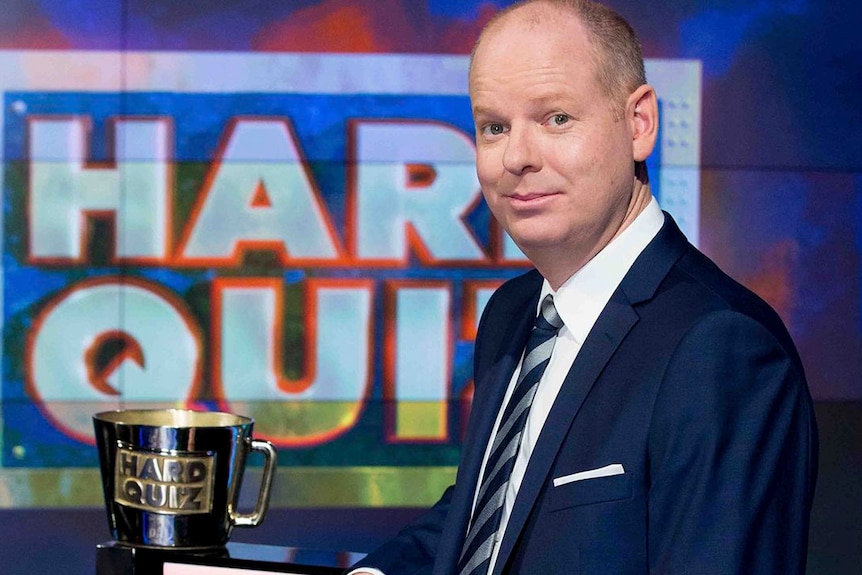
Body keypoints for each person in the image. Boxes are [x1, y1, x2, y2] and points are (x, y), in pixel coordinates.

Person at [350, 0, 818, 573]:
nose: (516, 157)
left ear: (639, 123)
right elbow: (491, 516)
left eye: (556, 119)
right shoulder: (513, 311)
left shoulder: (721, 345)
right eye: (494, 127)